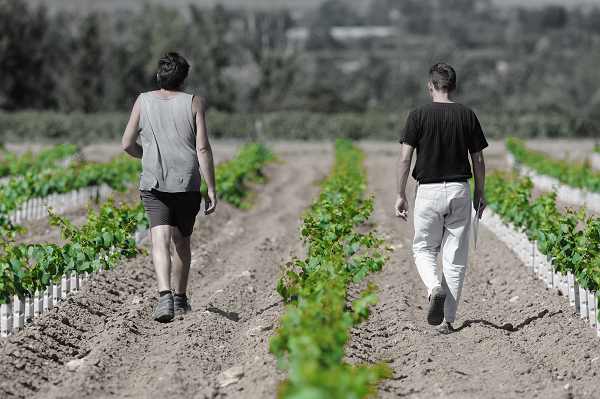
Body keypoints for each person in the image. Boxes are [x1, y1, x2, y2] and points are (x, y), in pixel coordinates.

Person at [122, 52, 217, 322]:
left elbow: (127, 143)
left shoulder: (143, 100)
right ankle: (179, 298)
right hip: (187, 183)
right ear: (184, 80)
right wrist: (211, 187)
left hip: (154, 183)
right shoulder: (194, 103)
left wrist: (147, 156)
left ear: (158, 77)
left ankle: (164, 297)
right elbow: (202, 147)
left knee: (159, 239)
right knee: (182, 241)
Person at [394, 62, 488, 334]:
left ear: (430, 86)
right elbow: (478, 159)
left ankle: (434, 288)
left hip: (429, 190)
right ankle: (447, 322)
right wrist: (479, 194)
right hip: (460, 189)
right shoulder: (467, 114)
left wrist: (401, 194)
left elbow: (404, 158)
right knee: (455, 258)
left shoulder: (417, 115)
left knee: (423, 249)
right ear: (455, 87)